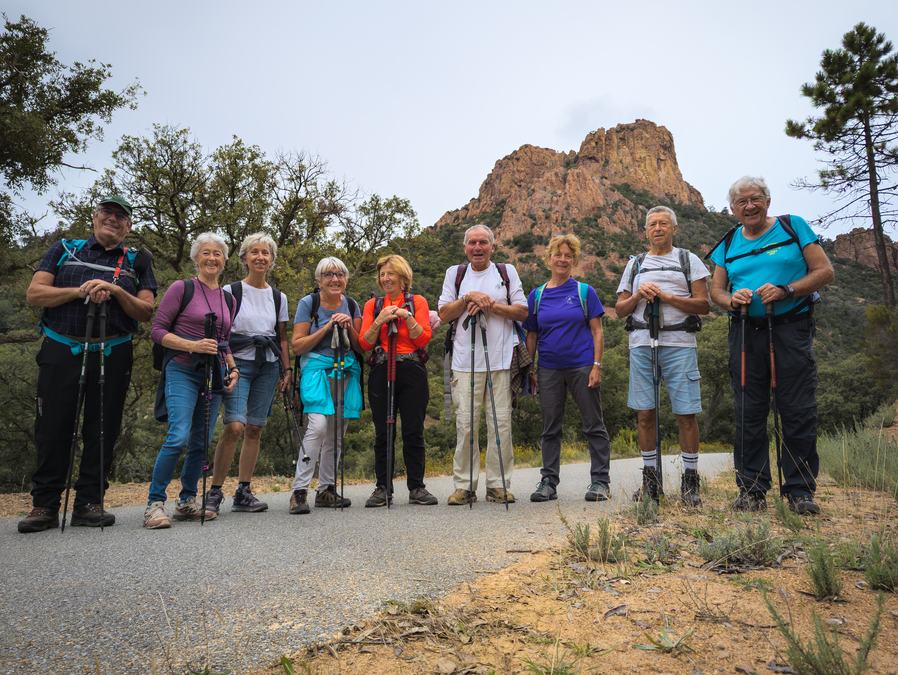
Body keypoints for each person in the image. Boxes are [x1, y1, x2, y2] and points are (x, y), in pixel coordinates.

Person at [18, 195, 157, 533]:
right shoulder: (64, 249)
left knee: (103, 427)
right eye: (107, 213)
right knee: (52, 427)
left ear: (129, 226)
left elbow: (145, 310)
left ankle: (90, 502)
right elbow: (35, 294)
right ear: (94, 217)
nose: (113, 219)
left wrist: (114, 290)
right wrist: (80, 291)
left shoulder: (137, 259)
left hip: (112, 350)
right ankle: (45, 504)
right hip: (62, 349)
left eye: (121, 216)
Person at [708, 177, 833, 514]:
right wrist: (731, 298)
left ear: (768, 200)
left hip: (790, 327)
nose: (749, 206)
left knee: (796, 407)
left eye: (755, 199)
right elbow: (715, 292)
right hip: (746, 330)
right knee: (748, 410)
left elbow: (825, 271)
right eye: (741, 202)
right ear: (733, 208)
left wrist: (787, 290)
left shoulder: (793, 227)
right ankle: (751, 489)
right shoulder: (729, 241)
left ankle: (800, 491)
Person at [615, 206, 711, 506]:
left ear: (674, 228)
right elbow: (620, 310)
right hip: (642, 343)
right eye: (653, 224)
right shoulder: (635, 264)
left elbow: (703, 305)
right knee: (644, 413)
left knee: (685, 413)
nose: (658, 228)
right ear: (646, 231)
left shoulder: (688, 259)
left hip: (680, 344)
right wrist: (637, 296)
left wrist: (667, 296)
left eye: (664, 224)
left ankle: (690, 482)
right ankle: (651, 481)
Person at [144, 232, 239, 529]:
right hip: (182, 369)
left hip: (214, 374)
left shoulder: (228, 298)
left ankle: (186, 500)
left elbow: (224, 340)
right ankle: (154, 504)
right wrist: (192, 345)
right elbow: (158, 331)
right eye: (206, 253)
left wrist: (233, 369)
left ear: (224, 261)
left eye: (218, 254)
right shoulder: (181, 288)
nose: (212, 258)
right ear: (196, 257)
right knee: (179, 435)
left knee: (201, 440)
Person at [438, 224, 528, 505]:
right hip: (464, 362)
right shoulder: (456, 274)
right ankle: (464, 486)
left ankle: (498, 484)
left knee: (500, 424)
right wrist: (467, 299)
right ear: (465, 247)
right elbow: (443, 314)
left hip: (501, 359)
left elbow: (523, 311)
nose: (478, 248)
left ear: (493, 245)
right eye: (472, 243)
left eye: (483, 243)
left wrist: (490, 306)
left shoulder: (506, 272)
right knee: (465, 425)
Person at [203, 233, 291, 515]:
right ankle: (215, 491)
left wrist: (287, 369)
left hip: (268, 364)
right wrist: (226, 363)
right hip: (238, 362)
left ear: (272, 260)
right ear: (244, 258)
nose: (261, 257)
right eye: (255, 252)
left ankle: (243, 490)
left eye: (266, 253)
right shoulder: (231, 292)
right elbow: (222, 332)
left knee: (255, 427)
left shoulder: (279, 297)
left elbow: (282, 337)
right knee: (235, 426)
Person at [524, 234, 611, 503]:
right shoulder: (536, 296)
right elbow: (532, 336)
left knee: (593, 424)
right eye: (558, 254)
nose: (563, 259)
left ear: (574, 260)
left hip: (582, 366)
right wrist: (530, 369)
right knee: (550, 427)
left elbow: (597, 332)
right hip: (549, 368)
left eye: (568, 255)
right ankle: (548, 482)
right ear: (548, 258)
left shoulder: (585, 292)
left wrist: (597, 365)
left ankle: (600, 481)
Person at [359, 254, 437, 507]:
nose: (386, 278)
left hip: (411, 367)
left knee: (413, 429)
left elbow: (423, 339)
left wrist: (406, 316)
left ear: (403, 277)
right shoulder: (373, 304)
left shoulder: (418, 302)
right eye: (382, 274)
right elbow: (365, 343)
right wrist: (381, 319)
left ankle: (417, 487)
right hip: (382, 367)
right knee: (383, 431)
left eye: (390, 273)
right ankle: (383, 487)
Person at [289, 256, 363, 514]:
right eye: (328, 274)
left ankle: (327, 490)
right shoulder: (308, 304)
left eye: (340, 274)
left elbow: (359, 345)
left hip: (344, 370)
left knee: (336, 431)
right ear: (318, 280)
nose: (335, 279)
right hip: (316, 370)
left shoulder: (352, 305)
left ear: (346, 279)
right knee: (318, 426)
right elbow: (297, 345)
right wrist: (327, 327)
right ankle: (300, 490)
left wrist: (347, 326)